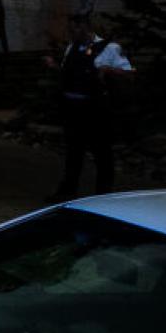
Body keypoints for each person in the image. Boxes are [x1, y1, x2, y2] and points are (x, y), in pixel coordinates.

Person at [47, 14, 134, 200]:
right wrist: (55, 68)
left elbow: (129, 74)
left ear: (85, 27)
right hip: (73, 109)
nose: (71, 33)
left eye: (74, 29)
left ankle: (103, 195)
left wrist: (108, 70)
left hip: (96, 110)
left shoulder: (110, 48)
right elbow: (69, 75)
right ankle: (67, 192)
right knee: (73, 153)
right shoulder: (73, 47)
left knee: (102, 154)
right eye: (69, 29)